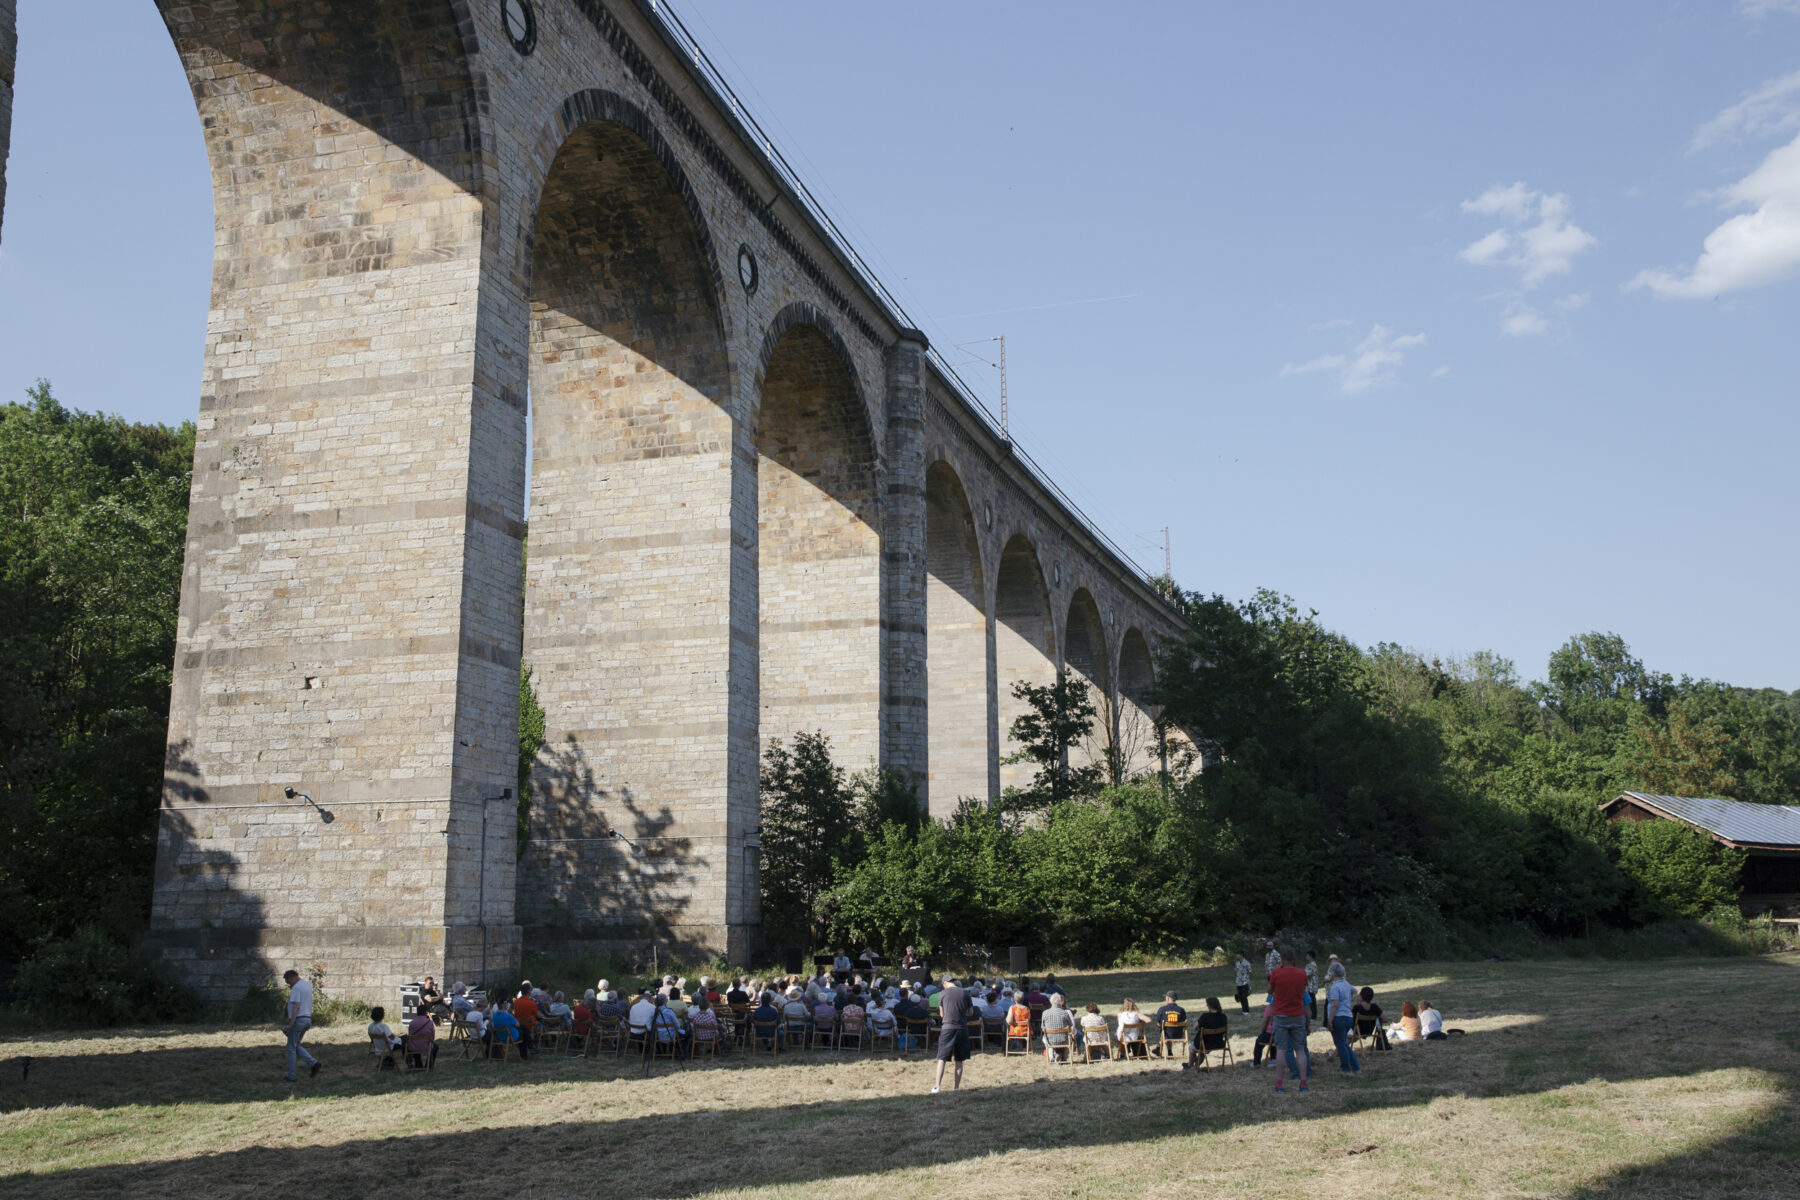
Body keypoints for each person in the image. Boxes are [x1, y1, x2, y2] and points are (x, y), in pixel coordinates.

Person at [1269, 945, 1310, 1092]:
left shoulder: (1276, 973)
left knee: (1281, 1050)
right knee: (1300, 1050)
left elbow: (1270, 991)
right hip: (1298, 1015)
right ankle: (1303, 1083)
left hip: (1281, 1015)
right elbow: (1303, 991)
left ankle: (1279, 1085)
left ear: (1282, 958)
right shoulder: (1302, 973)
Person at [931, 977, 973, 1093]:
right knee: (959, 1060)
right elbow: (971, 1012)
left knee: (941, 1058)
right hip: (962, 1028)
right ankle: (956, 1088)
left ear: (945, 983)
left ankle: (937, 1086)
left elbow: (942, 1014)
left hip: (947, 1028)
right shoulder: (965, 993)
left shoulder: (942, 994)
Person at [280, 968, 322, 1082]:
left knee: (290, 1048)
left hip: (298, 1020)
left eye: (288, 982)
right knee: (295, 1044)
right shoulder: (306, 985)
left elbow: (296, 1006)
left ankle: (291, 1075)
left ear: (291, 977)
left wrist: (290, 1024)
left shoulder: (296, 987)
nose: (289, 985)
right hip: (307, 1019)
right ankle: (313, 1063)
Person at [1324, 963, 1361, 1076]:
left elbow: (1335, 1005)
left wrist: (1329, 1020)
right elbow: (1355, 991)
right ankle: (1355, 1067)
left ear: (1332, 973)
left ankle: (1345, 1068)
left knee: (1340, 1044)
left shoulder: (1335, 987)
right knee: (1344, 1043)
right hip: (1348, 1017)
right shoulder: (1346, 984)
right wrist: (1350, 1001)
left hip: (1338, 1017)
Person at [1192, 996, 1229, 1067]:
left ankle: (1190, 1065)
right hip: (1218, 1043)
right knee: (1202, 1051)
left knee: (1192, 1049)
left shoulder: (1205, 1016)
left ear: (1209, 1006)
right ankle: (1196, 1065)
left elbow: (1195, 1027)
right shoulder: (1223, 1017)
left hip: (1205, 1044)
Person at [1352, 986, 1389, 1051]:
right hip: (1369, 1031)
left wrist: (1357, 1004)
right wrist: (1376, 1020)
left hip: (1357, 1031)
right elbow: (1385, 1019)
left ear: (1361, 996)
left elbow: (1349, 1018)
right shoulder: (1374, 1007)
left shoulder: (1357, 1008)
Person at [1152, 991, 1187, 1058]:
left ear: (1168, 998)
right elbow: (1184, 1022)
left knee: (1164, 1030)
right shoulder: (1181, 1010)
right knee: (1168, 1030)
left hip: (1166, 1035)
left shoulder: (1162, 1009)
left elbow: (1158, 1023)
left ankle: (1160, 1048)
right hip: (1179, 1034)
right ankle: (1168, 1051)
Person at [1040, 993, 1074, 1060]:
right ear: (1060, 1002)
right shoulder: (1064, 1013)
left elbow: (1042, 1028)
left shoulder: (1045, 1013)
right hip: (1064, 1040)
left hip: (1050, 1040)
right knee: (1069, 1037)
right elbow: (1070, 1026)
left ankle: (1051, 1056)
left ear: (1050, 1002)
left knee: (1045, 1038)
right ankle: (1064, 1057)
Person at [512, 986, 540, 1050]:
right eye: (530, 991)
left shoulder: (516, 1002)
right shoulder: (531, 1002)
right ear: (528, 992)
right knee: (541, 1025)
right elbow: (537, 1015)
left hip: (519, 1024)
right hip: (530, 1025)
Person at [1304, 951, 1320, 1021]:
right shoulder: (1310, 964)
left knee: (1312, 1001)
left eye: (1307, 955)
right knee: (1310, 1000)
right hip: (1309, 985)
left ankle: (1313, 1016)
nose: (1306, 957)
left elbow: (1306, 974)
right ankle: (1311, 1015)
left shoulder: (1312, 965)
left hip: (1311, 986)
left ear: (1310, 956)